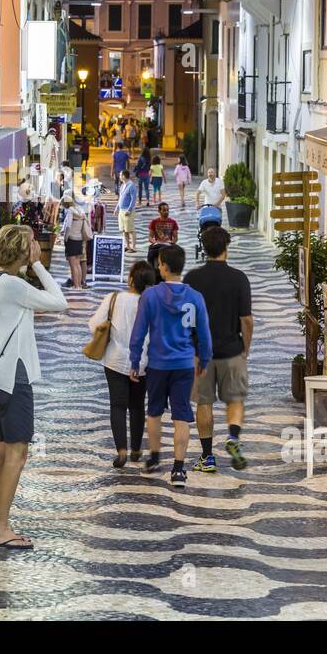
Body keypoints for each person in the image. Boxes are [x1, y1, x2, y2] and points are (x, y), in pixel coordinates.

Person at [0, 224, 68, 549]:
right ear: (22, 252)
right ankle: (0, 529)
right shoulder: (15, 286)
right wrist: (37, 264)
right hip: (13, 379)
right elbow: (60, 302)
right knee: (17, 454)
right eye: (31, 246)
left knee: (2, 454)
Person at [129, 244, 212, 488]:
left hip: (157, 364)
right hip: (185, 363)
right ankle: (178, 469)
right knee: (181, 415)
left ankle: (154, 457)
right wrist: (204, 360)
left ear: (163, 266)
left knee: (154, 412)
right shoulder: (195, 297)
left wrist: (135, 361)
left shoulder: (150, 296)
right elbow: (204, 334)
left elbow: (138, 332)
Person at [184, 226, 253, 472]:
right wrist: (245, 347)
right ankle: (233, 437)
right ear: (227, 247)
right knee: (235, 399)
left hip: (201, 353)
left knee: (204, 404)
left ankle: (207, 457)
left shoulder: (192, 279)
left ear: (204, 249)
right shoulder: (239, 278)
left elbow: (185, 317)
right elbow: (246, 319)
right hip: (231, 350)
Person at [88, 260, 154, 468]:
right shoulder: (151, 303)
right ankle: (136, 449)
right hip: (143, 362)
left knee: (117, 405)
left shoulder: (114, 298)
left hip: (114, 360)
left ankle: (122, 451)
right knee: (137, 405)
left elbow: (94, 325)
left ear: (132, 279)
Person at [60, 193, 93, 289]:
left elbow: (68, 226)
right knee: (78, 264)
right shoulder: (80, 210)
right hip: (80, 239)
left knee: (73, 265)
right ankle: (79, 284)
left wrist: (65, 238)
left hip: (72, 239)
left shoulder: (70, 211)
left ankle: (76, 285)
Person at [146, 201, 179, 282]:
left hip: (168, 245)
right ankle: (152, 272)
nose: (166, 212)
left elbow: (175, 238)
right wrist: (154, 241)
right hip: (157, 245)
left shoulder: (173, 222)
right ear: (159, 211)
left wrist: (172, 242)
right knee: (151, 254)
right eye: (164, 210)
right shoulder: (154, 222)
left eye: (167, 210)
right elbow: (150, 237)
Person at [117, 169, 138, 253]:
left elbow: (133, 199)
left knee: (130, 229)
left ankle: (133, 247)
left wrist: (129, 210)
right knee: (123, 229)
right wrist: (117, 208)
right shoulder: (122, 185)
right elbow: (120, 198)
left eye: (120, 175)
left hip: (128, 211)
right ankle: (127, 246)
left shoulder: (131, 185)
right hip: (121, 211)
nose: (119, 176)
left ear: (124, 176)